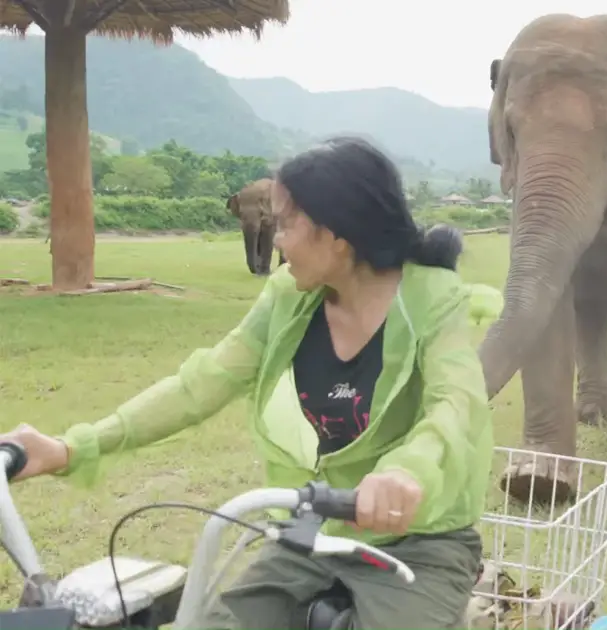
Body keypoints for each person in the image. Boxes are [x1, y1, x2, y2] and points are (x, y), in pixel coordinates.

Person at [0, 136, 494, 629]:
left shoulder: (431, 296)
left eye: (286, 224)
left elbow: (456, 402)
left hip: (420, 544)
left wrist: (407, 473)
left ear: (337, 235)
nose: (276, 240)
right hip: (313, 534)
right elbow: (202, 382)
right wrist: (71, 447)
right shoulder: (289, 297)